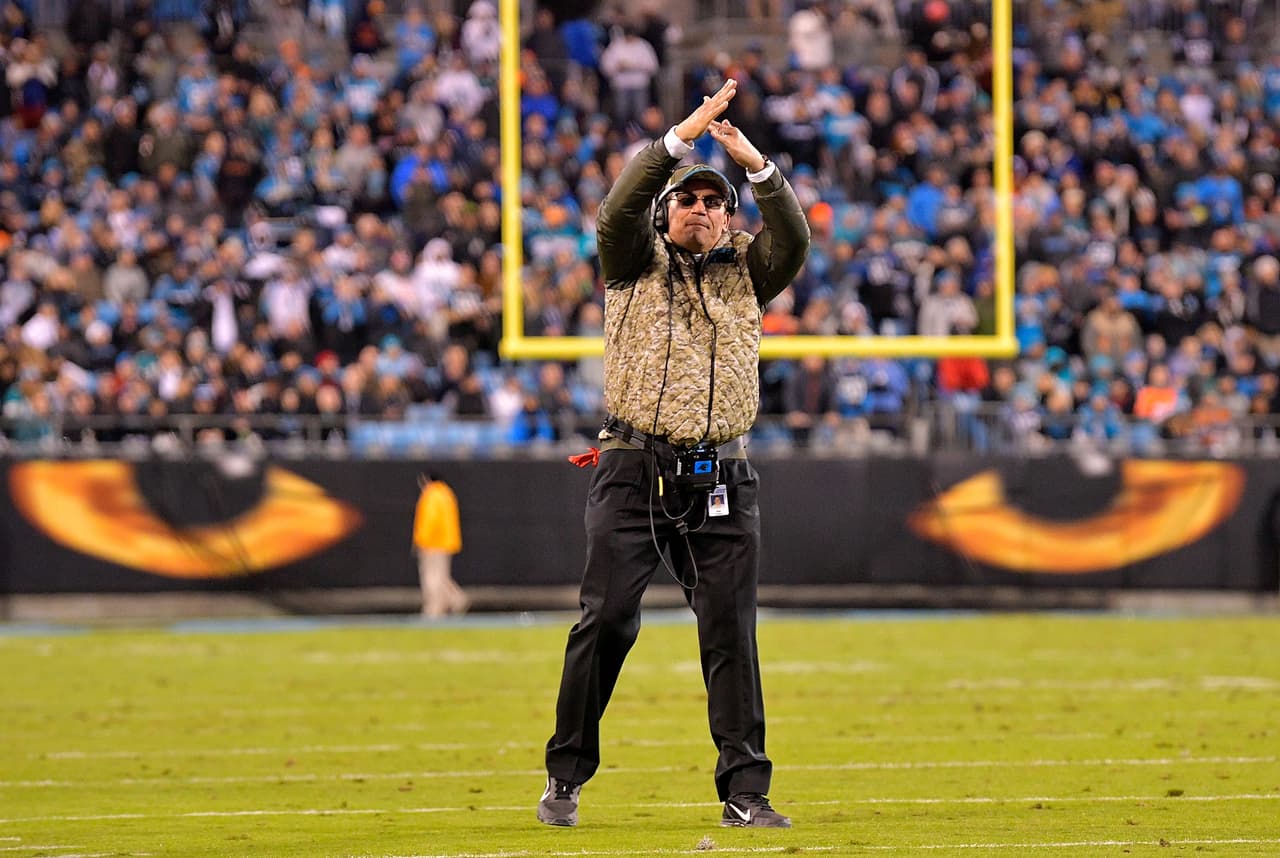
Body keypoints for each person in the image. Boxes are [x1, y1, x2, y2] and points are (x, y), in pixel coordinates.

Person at [538, 78, 810, 830]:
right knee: (609, 619)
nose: (701, 209)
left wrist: (756, 167)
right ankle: (565, 775)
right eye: (689, 200)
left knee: (731, 632)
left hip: (723, 473)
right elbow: (620, 204)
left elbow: (796, 238)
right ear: (668, 212)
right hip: (634, 468)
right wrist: (681, 140)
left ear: (729, 217)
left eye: (714, 202)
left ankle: (745, 792)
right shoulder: (630, 261)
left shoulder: (749, 271)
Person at [411, 472, 467, 618]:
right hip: (446, 542)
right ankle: (456, 599)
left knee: (431, 577)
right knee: (441, 576)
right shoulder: (446, 493)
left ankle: (434, 609)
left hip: (432, 542)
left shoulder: (431, 495)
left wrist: (421, 541)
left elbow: (430, 520)